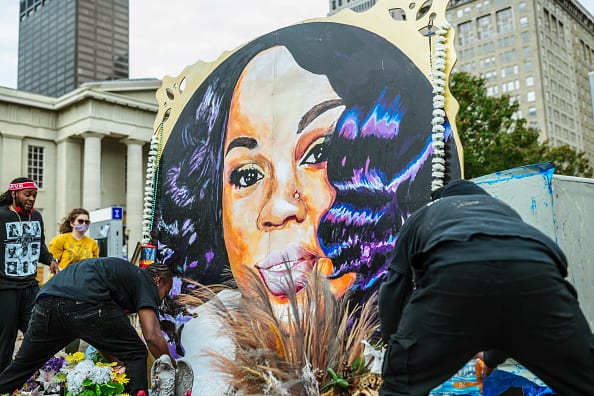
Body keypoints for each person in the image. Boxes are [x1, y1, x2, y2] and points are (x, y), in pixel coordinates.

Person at [378, 179, 594, 396]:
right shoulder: (504, 211)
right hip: (538, 269)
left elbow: (393, 289)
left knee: (401, 387)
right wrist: (492, 358)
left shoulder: (425, 214)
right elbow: (508, 299)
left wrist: (396, 348)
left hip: (453, 270)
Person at [0, 257, 176, 395]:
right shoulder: (145, 279)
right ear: (158, 280)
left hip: (46, 303)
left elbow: (103, 337)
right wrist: (174, 369)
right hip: (85, 303)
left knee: (21, 368)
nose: (161, 300)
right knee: (136, 353)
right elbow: (152, 336)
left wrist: (117, 363)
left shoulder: (119, 276)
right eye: (165, 293)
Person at [0, 177, 60, 373]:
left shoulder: (36, 217)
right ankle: (3, 381)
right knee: (6, 338)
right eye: (27, 195)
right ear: (14, 193)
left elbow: (39, 245)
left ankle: (34, 374)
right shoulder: (1, 215)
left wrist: (50, 259)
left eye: (34, 195)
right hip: (5, 288)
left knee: (39, 332)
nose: (32, 199)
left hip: (30, 286)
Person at [48, 208, 100, 353]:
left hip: (83, 288)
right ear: (72, 223)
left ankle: (73, 356)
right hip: (61, 286)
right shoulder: (60, 241)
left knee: (77, 321)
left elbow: (94, 266)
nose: (84, 224)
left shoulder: (92, 244)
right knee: (59, 322)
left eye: (87, 221)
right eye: (80, 221)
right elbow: (53, 264)